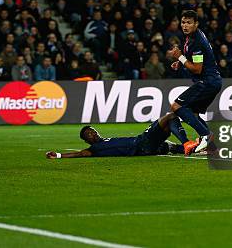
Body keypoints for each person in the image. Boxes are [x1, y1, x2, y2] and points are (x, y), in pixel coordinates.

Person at [169, 10, 222, 153]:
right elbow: (193, 58)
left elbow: (197, 69)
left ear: (196, 24)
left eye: (189, 23)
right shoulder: (193, 36)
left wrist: (180, 57)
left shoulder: (196, 41)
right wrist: (181, 62)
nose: (185, 26)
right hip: (212, 81)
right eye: (183, 22)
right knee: (193, 114)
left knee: (176, 106)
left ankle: (206, 135)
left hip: (207, 82)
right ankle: (211, 145)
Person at [45, 113, 199, 158]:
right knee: (169, 117)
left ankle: (200, 148)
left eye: (92, 130)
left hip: (145, 148)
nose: (92, 133)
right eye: (88, 134)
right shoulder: (94, 149)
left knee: (168, 144)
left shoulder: (105, 140)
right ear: (86, 141)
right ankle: (187, 143)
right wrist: (58, 155)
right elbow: (80, 154)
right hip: (142, 143)